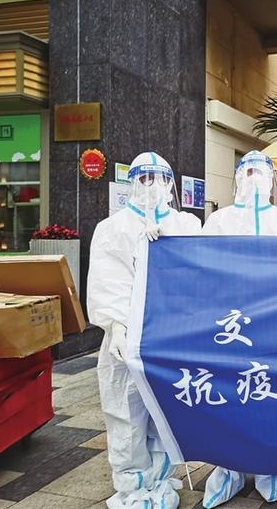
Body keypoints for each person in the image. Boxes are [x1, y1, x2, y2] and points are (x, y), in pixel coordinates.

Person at [87, 152, 201, 509]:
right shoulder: (113, 228)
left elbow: (201, 274)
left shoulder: (186, 225)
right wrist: (118, 326)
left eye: (160, 178)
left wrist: (170, 244)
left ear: (171, 184)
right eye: (144, 178)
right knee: (126, 413)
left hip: (172, 337)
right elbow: (109, 282)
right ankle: (133, 487)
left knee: (166, 412)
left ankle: (161, 479)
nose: (152, 186)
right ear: (132, 183)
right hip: (129, 338)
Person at [201, 150, 277, 508]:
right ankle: (228, 469)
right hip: (230, 324)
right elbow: (200, 267)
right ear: (237, 178)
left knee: (270, 393)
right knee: (229, 396)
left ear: (272, 180)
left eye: (261, 173)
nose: (255, 179)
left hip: (273, 326)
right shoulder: (219, 221)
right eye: (248, 172)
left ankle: (270, 469)